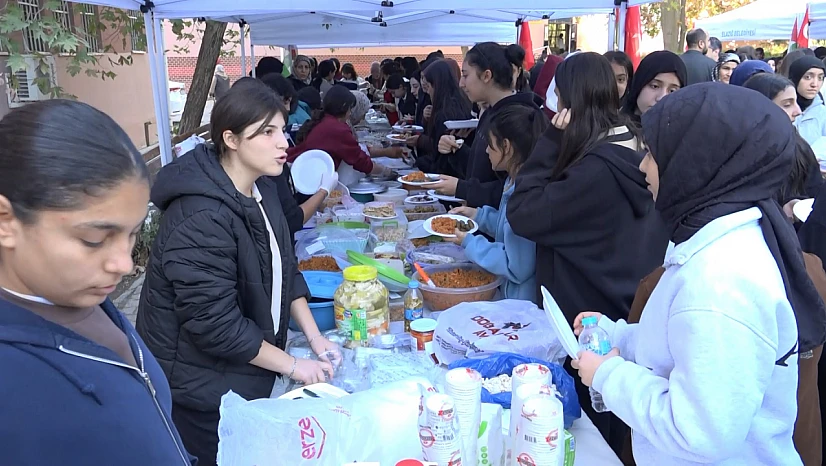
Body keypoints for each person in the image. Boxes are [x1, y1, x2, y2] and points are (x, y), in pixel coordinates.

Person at [573, 82, 826, 466]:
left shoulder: (722, 281)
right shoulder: (720, 238)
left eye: (654, 155)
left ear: (698, 164)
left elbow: (699, 431)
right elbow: (683, 343)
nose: (643, 166)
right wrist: (617, 336)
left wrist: (609, 375)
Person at [137, 79, 340, 466]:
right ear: (230, 139)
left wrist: (315, 340)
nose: (284, 143)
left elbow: (287, 270)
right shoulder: (201, 215)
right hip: (202, 393)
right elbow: (217, 327)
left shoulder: (260, 190)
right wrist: (296, 366)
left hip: (245, 374)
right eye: (267, 132)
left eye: (282, 129)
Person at [0, 100, 194, 465]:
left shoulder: (78, 297)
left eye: (133, 233)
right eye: (93, 239)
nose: (123, 264)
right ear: (6, 221)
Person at [506, 52, 669, 454]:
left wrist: (550, 143)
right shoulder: (631, 142)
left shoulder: (594, 168)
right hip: (622, 306)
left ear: (567, 102)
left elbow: (524, 214)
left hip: (590, 318)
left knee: (593, 437)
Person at [446, 105, 547, 301]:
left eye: (490, 144)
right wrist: (478, 216)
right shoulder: (513, 180)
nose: (486, 150)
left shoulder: (525, 194)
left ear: (506, 147)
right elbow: (507, 229)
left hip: (522, 304)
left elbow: (516, 265)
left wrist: (468, 242)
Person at [433, 43, 543, 209]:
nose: (461, 83)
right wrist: (456, 150)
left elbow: (517, 187)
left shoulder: (519, 118)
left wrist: (463, 189)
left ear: (486, 76)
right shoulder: (491, 112)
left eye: (465, 75)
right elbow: (481, 169)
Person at [288, 85, 396, 177]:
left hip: (304, 170)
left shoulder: (326, 120)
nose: (350, 113)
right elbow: (360, 161)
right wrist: (387, 172)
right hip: (307, 175)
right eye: (350, 109)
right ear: (344, 108)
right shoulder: (338, 129)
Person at [414, 59, 474, 178]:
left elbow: (441, 158)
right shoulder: (461, 101)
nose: (428, 91)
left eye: (429, 86)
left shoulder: (443, 113)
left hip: (449, 177)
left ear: (435, 85)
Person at [622, 50, 687, 124]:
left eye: (672, 91)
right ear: (639, 84)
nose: (661, 98)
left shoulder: (683, 133)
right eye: (655, 86)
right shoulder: (614, 131)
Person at [791, 57, 826, 159]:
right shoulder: (779, 109)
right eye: (808, 77)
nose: (815, 84)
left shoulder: (822, 113)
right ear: (796, 77)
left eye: (820, 78)